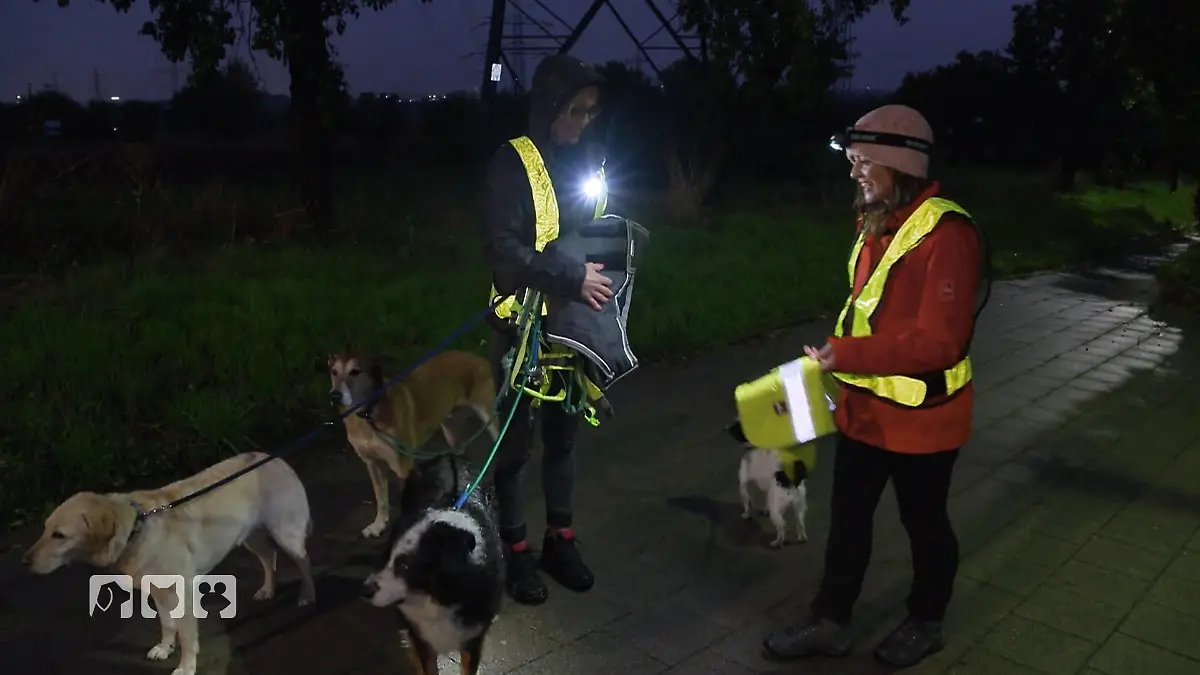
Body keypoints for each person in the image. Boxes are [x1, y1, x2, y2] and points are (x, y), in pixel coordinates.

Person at [762, 104, 989, 668]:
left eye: (864, 161)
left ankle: (927, 621)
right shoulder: (875, 219)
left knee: (924, 523)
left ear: (899, 164)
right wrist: (834, 361)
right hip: (865, 410)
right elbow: (871, 310)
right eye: (852, 160)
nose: (853, 172)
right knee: (848, 521)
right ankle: (830, 621)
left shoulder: (948, 235)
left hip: (926, 419)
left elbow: (940, 344)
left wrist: (847, 354)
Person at [480, 54, 613, 606]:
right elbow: (501, 248)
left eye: (590, 113)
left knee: (564, 436)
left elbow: (594, 228)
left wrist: (611, 263)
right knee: (514, 447)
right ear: (550, 106)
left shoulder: (586, 161)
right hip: (519, 328)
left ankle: (560, 540)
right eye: (575, 111)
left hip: (571, 326)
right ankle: (515, 551)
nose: (582, 122)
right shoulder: (512, 162)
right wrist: (570, 275)